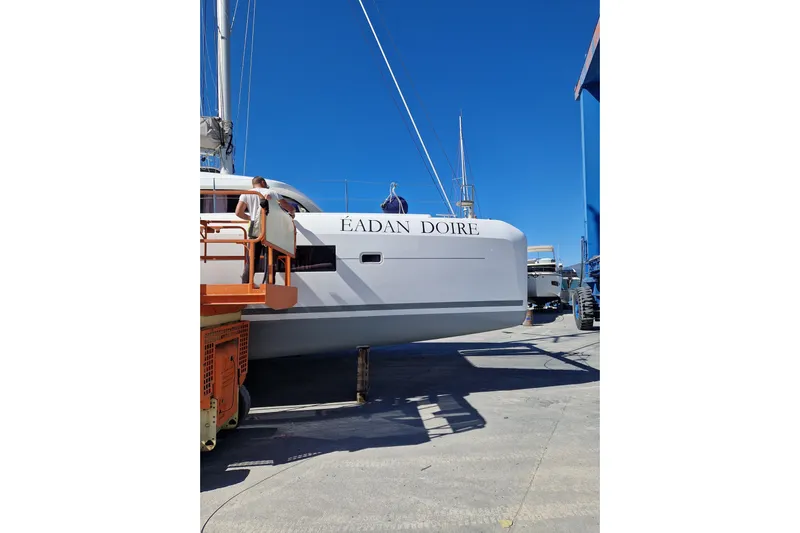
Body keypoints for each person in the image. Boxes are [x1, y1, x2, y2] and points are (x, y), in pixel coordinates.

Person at [235, 176, 296, 283]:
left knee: (252, 258)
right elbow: (287, 207)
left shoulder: (246, 193)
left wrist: (251, 217)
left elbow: (238, 212)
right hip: (272, 227)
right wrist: (292, 212)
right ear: (263, 182)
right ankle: (269, 283)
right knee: (271, 259)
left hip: (255, 226)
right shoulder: (272, 192)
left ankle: (246, 283)